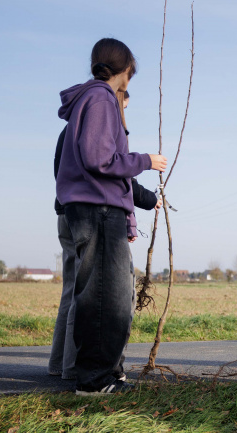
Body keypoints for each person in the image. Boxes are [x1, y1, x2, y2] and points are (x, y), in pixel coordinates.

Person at [55, 38, 167, 395]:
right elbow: (99, 159)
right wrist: (145, 160)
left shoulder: (87, 100)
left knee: (104, 295)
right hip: (99, 210)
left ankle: (105, 372)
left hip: (94, 208)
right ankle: (94, 380)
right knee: (106, 298)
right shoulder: (102, 98)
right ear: (126, 70)